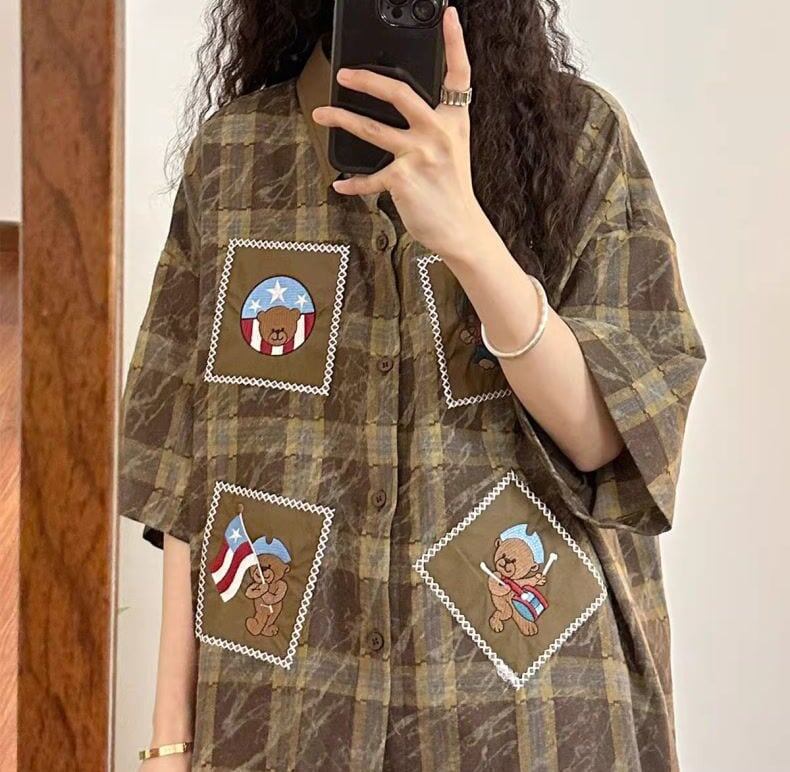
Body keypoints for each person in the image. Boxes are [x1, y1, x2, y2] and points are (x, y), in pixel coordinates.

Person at [120, 1, 705, 769]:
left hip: (527, 719)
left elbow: (611, 435)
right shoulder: (234, 154)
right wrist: (169, 740)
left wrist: (468, 236)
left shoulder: (579, 137)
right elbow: (181, 470)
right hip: (285, 714)